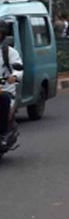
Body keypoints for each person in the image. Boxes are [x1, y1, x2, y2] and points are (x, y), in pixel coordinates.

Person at [0, 21, 22, 151]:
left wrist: (14, 76)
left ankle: (2, 133)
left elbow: (18, 68)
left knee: (4, 100)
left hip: (4, 90)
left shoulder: (9, 52)